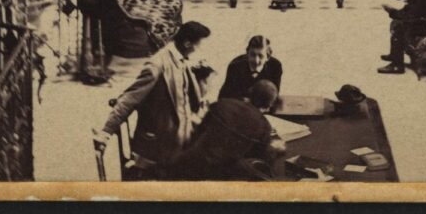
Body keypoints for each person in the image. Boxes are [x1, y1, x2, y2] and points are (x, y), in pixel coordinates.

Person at [93, 22, 213, 169]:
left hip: (180, 142)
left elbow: (189, 100)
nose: (201, 50)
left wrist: (203, 79)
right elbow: (129, 99)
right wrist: (106, 132)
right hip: (158, 147)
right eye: (199, 45)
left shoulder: (183, 61)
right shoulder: (157, 65)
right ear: (188, 43)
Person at [166, 79, 284, 181]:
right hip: (219, 177)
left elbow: (197, 134)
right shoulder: (264, 126)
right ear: (269, 106)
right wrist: (276, 149)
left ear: (250, 92)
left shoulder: (222, 103)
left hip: (188, 164)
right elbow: (261, 163)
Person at [218, 35, 284, 102]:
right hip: (239, 105)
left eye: (261, 56)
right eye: (252, 55)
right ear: (247, 54)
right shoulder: (235, 66)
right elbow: (228, 95)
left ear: (268, 57)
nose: (256, 60)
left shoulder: (275, 66)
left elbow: (274, 95)